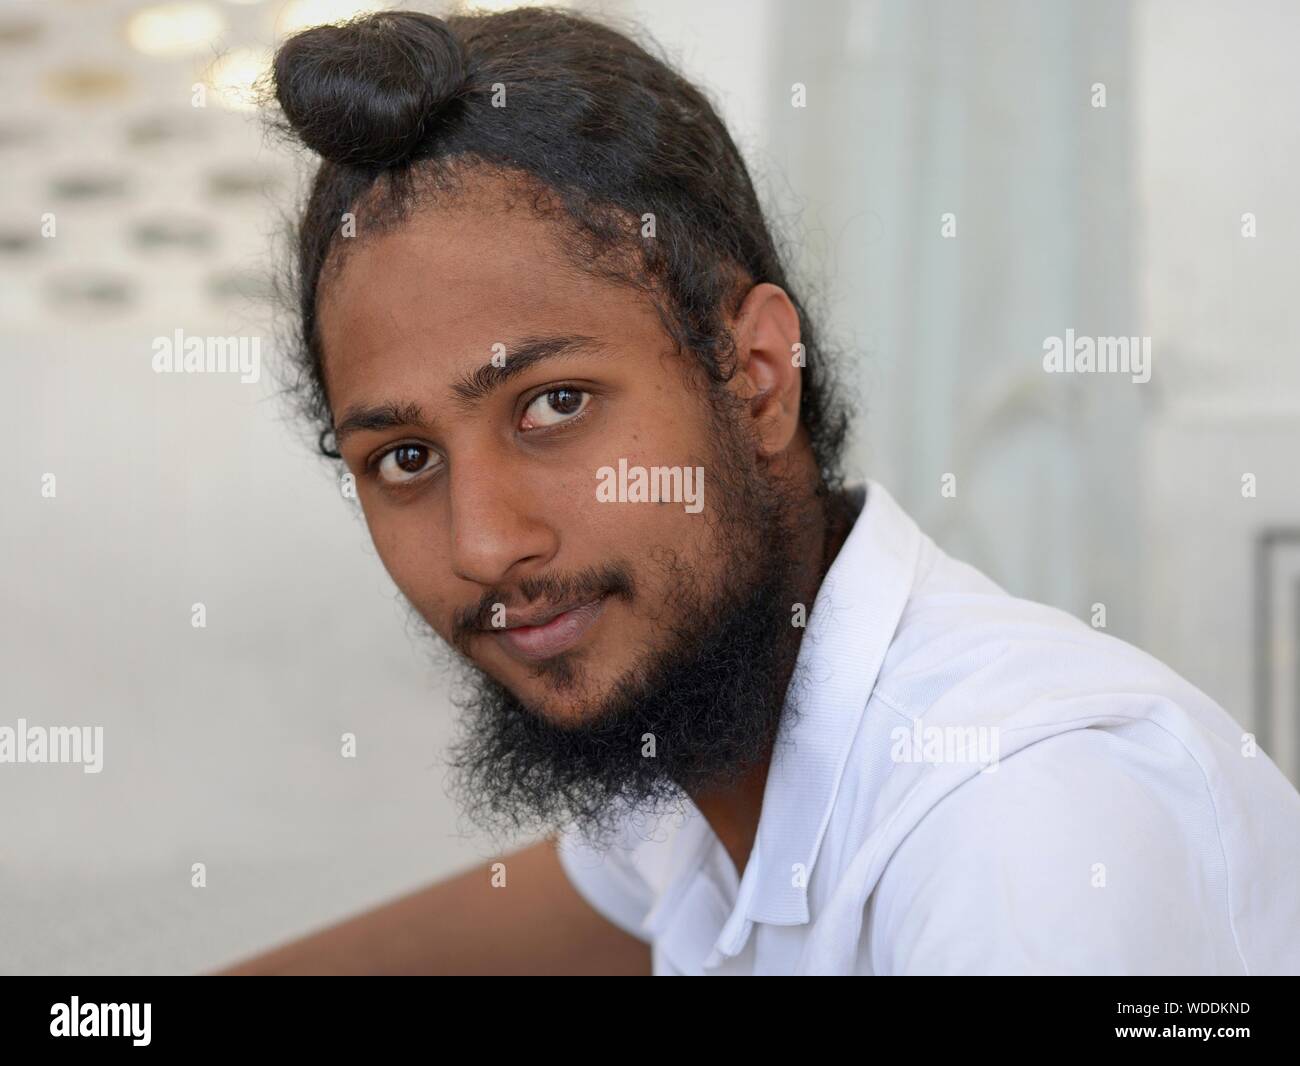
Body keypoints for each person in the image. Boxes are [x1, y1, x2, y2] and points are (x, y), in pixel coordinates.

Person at [218, 7, 1300, 975]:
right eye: (403, 458)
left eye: (553, 404)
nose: (485, 543)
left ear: (757, 376)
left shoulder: (1023, 820)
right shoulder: (703, 759)